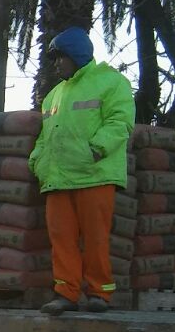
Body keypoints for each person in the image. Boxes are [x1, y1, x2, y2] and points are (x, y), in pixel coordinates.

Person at [29, 26, 136, 316]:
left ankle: (100, 292)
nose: (56, 64)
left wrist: (96, 148)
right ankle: (66, 292)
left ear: (76, 54)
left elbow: (120, 122)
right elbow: (44, 135)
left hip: (95, 175)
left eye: (59, 57)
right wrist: (37, 160)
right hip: (57, 178)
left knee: (95, 237)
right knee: (61, 238)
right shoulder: (52, 96)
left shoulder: (111, 82)